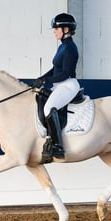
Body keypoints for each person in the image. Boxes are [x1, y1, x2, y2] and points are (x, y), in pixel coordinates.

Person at [32, 13, 80, 162]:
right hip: (59, 84)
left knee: (48, 108)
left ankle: (58, 147)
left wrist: (46, 80)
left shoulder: (70, 48)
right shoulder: (63, 47)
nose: (54, 31)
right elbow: (56, 68)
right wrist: (42, 78)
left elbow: (65, 73)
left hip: (68, 85)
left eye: (56, 29)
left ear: (66, 29)